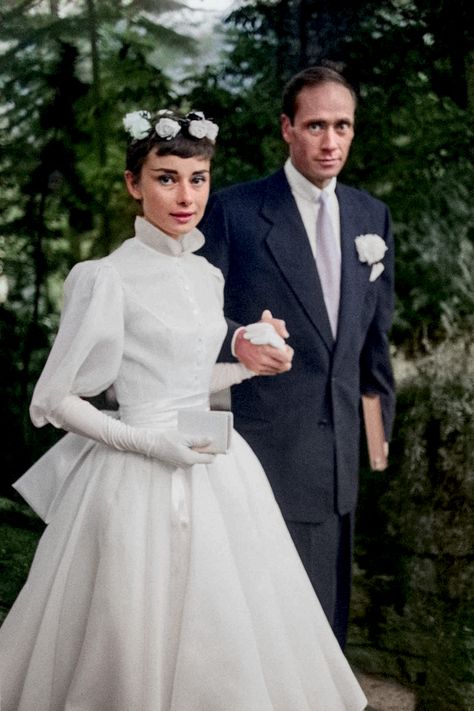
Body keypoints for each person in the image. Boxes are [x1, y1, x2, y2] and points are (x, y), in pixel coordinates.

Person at [0, 109, 367, 711]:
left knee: (225, 625)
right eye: (166, 178)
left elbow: (191, 382)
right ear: (132, 184)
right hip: (134, 472)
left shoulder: (204, 274)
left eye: (197, 179)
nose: (185, 195)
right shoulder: (104, 277)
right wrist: (147, 444)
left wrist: (251, 361)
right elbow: (55, 399)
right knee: (130, 628)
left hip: (214, 465)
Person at [199, 65, 396, 649]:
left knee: (326, 625)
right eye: (315, 125)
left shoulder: (371, 217)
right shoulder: (234, 212)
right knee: (265, 629)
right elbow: (191, 321)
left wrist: (375, 445)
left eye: (342, 125)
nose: (330, 141)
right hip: (260, 452)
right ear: (287, 129)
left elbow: (373, 347)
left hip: (340, 460)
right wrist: (242, 337)